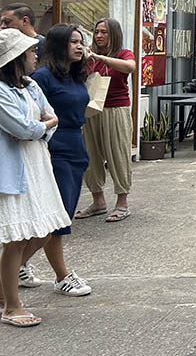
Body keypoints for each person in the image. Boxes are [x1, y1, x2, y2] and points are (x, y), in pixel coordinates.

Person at [0, 28, 70, 327]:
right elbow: (23, 128)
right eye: (30, 51)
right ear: (15, 57)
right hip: (15, 167)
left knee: (45, 228)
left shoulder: (30, 85)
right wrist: (44, 124)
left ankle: (4, 285)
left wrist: (44, 124)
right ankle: (11, 306)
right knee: (16, 238)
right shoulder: (2, 91)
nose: (35, 54)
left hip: (38, 163)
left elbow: (48, 118)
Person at [18, 25, 92, 296]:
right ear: (59, 44)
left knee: (61, 216)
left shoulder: (75, 74)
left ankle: (18, 264)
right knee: (55, 221)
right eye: (73, 41)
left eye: (81, 42)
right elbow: (32, 116)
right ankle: (61, 276)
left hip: (75, 146)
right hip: (54, 148)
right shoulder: (42, 77)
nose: (79, 46)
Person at [77, 18, 136, 223]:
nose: (99, 36)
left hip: (116, 108)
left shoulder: (123, 54)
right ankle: (98, 201)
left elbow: (130, 67)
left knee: (117, 154)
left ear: (114, 35)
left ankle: (122, 202)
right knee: (90, 155)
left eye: (104, 32)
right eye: (96, 32)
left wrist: (100, 58)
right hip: (91, 109)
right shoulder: (87, 57)